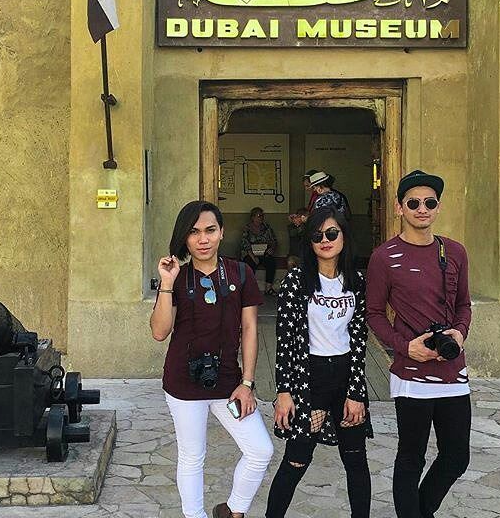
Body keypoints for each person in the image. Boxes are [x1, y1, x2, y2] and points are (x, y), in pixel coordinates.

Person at [151, 200, 274, 518]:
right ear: (185, 237)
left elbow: (250, 329)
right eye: (194, 232)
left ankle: (233, 511)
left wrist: (247, 383)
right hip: (183, 382)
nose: (203, 239)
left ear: (222, 232)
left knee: (260, 450)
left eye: (210, 230)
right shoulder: (178, 276)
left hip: (229, 382)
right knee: (192, 457)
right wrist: (167, 283)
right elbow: (159, 331)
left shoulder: (241, 273)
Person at [366, 170, 471, 518]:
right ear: (400, 208)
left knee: (457, 456)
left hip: (453, 371)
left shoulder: (455, 252)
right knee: (412, 457)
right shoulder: (384, 256)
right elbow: (374, 313)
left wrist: (459, 333)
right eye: (413, 203)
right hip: (411, 375)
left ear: (438, 207)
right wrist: (404, 346)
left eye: (429, 202)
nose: (422, 209)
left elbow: (464, 305)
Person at [266, 206, 372, 518]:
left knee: (356, 459)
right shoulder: (296, 282)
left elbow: (359, 339)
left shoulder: (356, 281)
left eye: (331, 233)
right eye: (317, 235)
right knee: (296, 459)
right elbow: (285, 340)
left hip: (346, 376)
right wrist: (284, 391)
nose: (325, 240)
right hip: (309, 378)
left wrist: (356, 391)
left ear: (344, 236)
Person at [240, 207, 278, 295]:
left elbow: (274, 240)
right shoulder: (247, 228)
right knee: (249, 264)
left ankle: (268, 288)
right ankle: (249, 289)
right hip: (250, 254)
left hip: (263, 253)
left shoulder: (266, 227)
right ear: (253, 217)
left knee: (271, 262)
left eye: (262, 215)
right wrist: (253, 257)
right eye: (259, 216)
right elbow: (245, 244)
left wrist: (272, 248)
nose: (261, 218)